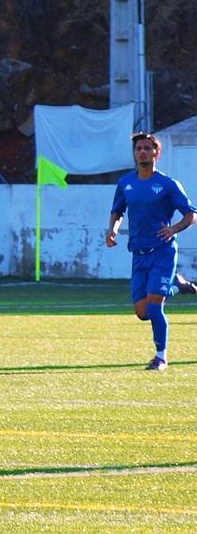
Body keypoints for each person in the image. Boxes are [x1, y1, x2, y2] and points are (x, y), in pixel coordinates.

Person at [105, 131, 197, 371]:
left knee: (155, 307)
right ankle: (177, 285)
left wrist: (174, 228)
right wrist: (112, 230)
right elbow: (117, 210)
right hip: (138, 253)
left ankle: (160, 357)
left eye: (147, 148)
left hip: (163, 252)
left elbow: (191, 214)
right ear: (134, 154)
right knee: (142, 312)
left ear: (157, 152)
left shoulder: (167, 184)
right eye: (138, 149)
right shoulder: (125, 183)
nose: (142, 152)